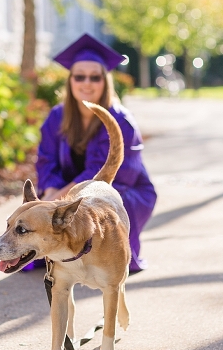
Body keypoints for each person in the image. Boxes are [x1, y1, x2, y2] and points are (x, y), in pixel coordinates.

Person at [32, 33, 157, 273]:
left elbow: (109, 175)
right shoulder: (57, 117)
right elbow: (46, 161)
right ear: (70, 81)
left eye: (94, 77)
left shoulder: (121, 121)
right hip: (66, 192)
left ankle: (109, 259)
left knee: (112, 205)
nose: (86, 83)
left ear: (105, 81)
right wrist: (49, 197)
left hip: (120, 189)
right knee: (34, 211)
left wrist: (58, 202)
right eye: (79, 76)